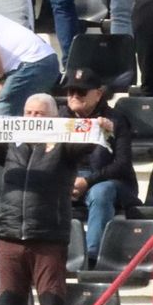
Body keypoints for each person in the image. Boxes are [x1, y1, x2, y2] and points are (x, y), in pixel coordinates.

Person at [0, 93, 78, 305]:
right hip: (9, 239)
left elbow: (90, 144)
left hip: (48, 239)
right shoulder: (10, 145)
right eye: (28, 113)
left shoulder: (66, 146)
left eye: (39, 114)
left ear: (54, 118)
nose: (31, 119)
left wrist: (102, 130)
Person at [60, 67, 139, 265]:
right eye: (71, 92)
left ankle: (92, 257)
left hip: (110, 180)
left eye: (81, 92)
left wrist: (88, 181)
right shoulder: (60, 119)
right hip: (71, 177)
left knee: (100, 192)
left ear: (98, 94)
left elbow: (122, 164)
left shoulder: (116, 119)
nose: (74, 96)